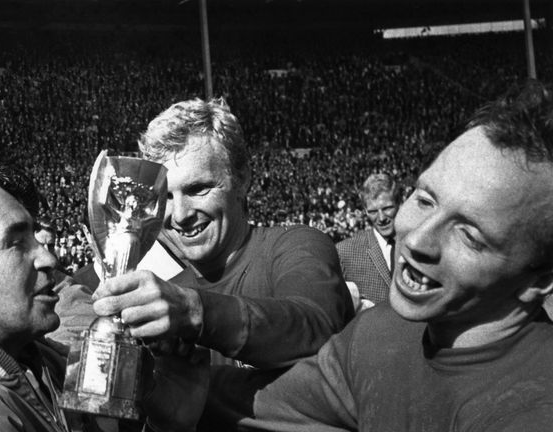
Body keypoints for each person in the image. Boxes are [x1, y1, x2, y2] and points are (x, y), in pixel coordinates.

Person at [230, 81, 553, 431]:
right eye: (425, 199)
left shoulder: (534, 411)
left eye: (469, 234)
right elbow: (250, 403)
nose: (417, 239)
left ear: (540, 281)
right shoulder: (380, 331)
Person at [89, 97, 354, 429]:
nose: (181, 215)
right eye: (165, 197)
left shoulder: (293, 245)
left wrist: (196, 312)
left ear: (242, 179)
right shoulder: (151, 291)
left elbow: (316, 324)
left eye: (199, 189)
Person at [0, 177, 208, 432]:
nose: (48, 257)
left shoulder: (34, 358)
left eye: (37, 237)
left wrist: (170, 423)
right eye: (16, 242)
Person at [336, 172, 401, 305]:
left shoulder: (419, 241)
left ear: (400, 203)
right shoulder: (345, 251)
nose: (381, 218)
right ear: (365, 211)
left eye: (387, 208)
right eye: (373, 212)